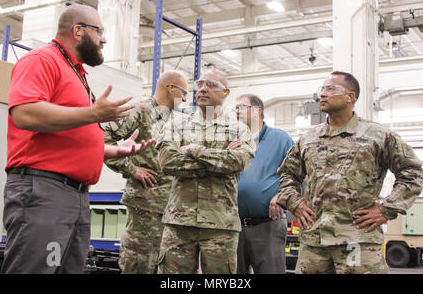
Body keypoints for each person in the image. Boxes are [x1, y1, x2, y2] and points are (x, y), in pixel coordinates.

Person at [1, 4, 154, 274]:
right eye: (100, 32)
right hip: (44, 193)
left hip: (75, 196)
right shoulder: (42, 60)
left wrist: (111, 151)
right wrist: (92, 113)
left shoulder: (77, 72)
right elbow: (24, 113)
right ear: (78, 31)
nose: (104, 39)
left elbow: (70, 136)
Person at [269, 71, 423, 274]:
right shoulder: (308, 138)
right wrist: (295, 203)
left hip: (356, 242)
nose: (322, 94)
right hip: (314, 244)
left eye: (330, 89)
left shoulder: (377, 135)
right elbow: (288, 174)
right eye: (321, 89)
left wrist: (385, 209)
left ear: (350, 97)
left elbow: (412, 173)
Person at [156, 69, 256, 274]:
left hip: (220, 225)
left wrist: (193, 151)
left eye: (210, 85)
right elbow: (168, 163)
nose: (202, 89)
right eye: (199, 84)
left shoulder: (239, 129)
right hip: (179, 223)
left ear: (225, 92)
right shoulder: (177, 125)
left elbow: (238, 161)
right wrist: (219, 158)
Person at [103, 70, 189, 274]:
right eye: (183, 93)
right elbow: (103, 139)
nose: (185, 99)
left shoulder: (175, 120)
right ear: (170, 88)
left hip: (171, 207)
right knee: (140, 263)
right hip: (146, 204)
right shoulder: (140, 111)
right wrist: (131, 169)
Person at [234, 94, 294, 274]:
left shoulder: (280, 139)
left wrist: (281, 195)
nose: (236, 111)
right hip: (233, 226)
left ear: (257, 112)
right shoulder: (232, 142)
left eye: (241, 107)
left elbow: (297, 174)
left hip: (267, 224)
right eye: (234, 108)